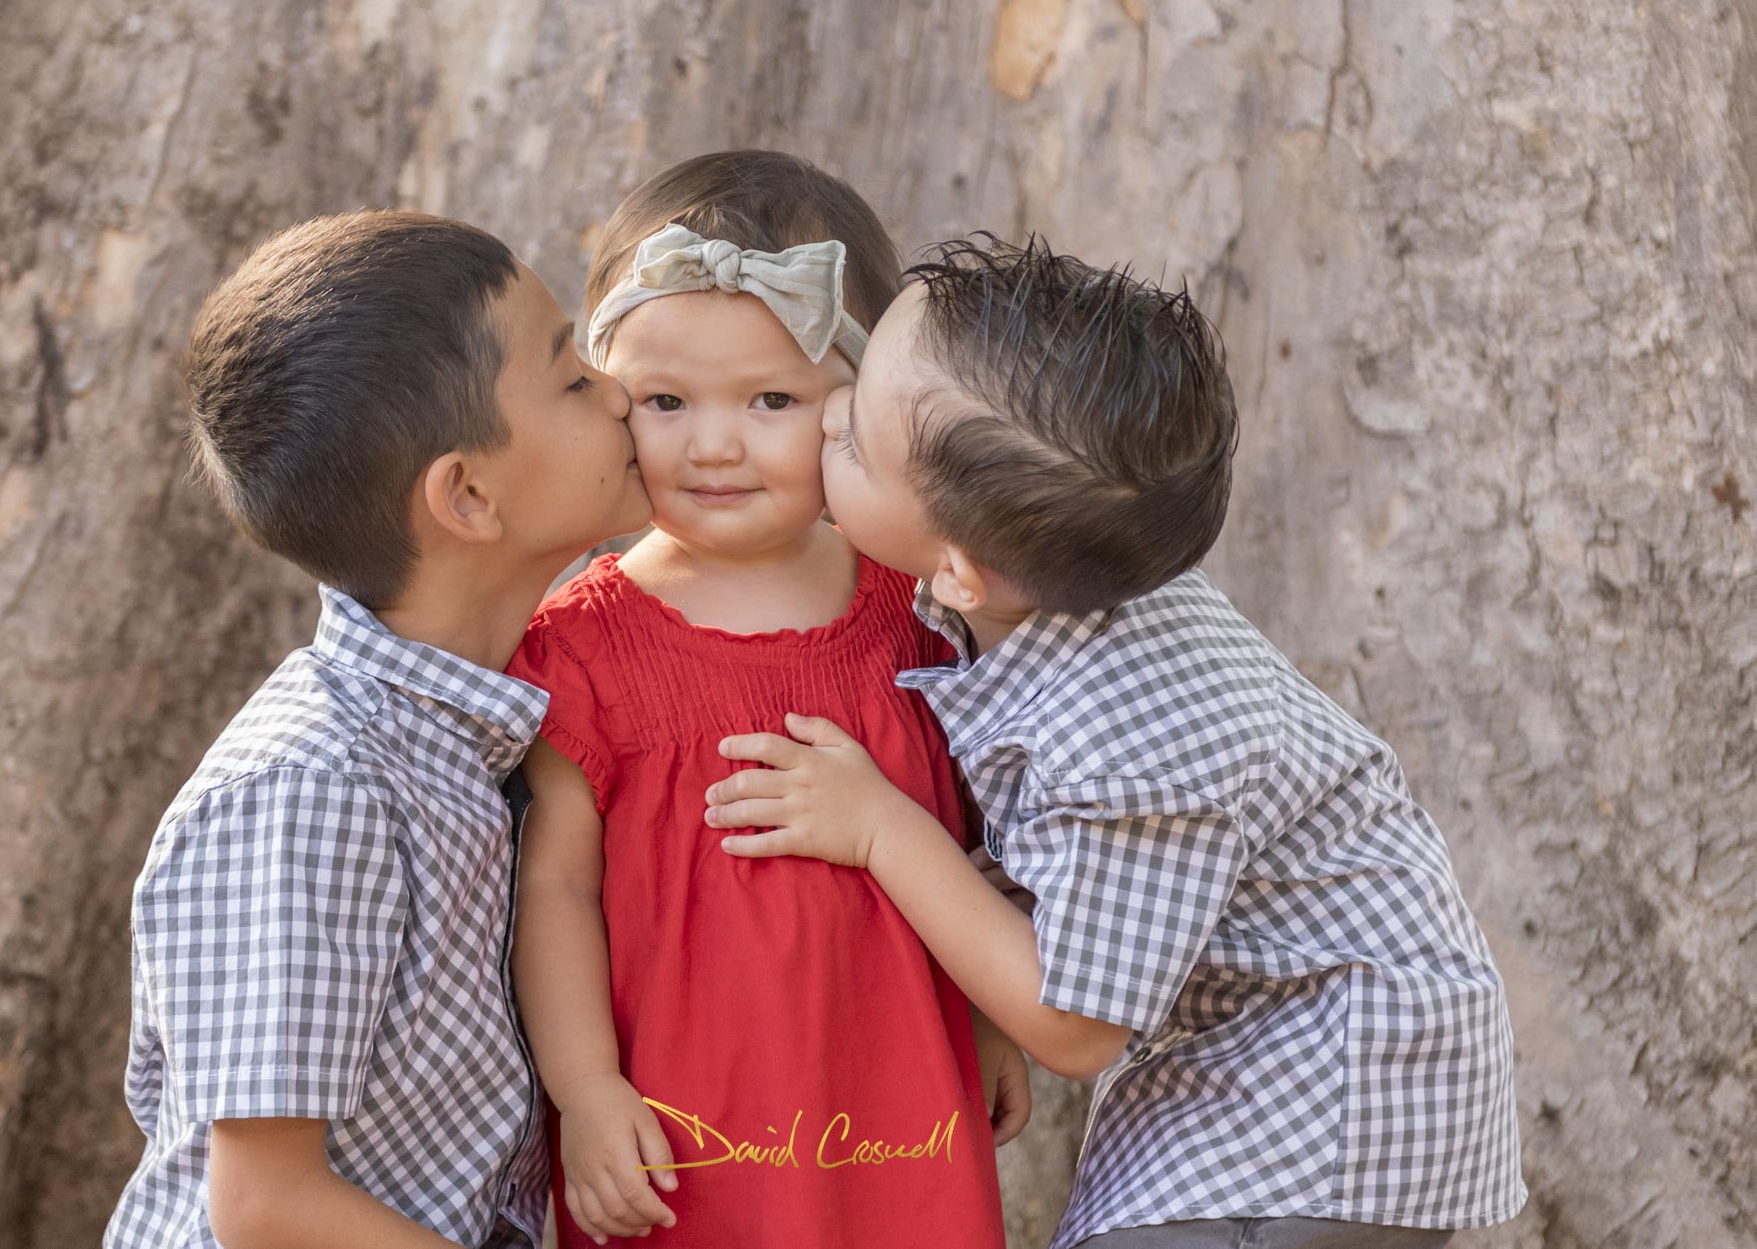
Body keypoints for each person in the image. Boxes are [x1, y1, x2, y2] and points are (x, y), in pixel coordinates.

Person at [704, 237, 1528, 1247]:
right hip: (1265, 1074)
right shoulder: (1057, 583)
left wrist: (880, 828)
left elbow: (1078, 1026)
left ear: (960, 571)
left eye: (856, 445)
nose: (828, 411)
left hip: (1320, 1114)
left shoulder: (1127, 739)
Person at [507, 152, 1023, 1249]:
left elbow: (967, 841)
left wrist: (984, 1016)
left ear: (861, 407)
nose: (713, 444)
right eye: (664, 401)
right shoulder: (581, 646)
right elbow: (553, 889)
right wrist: (588, 1088)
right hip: (682, 1129)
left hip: (896, 1098)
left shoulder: (918, 609)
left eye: (773, 400)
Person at [106, 211, 651, 1249]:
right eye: (574, 378)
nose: (621, 390)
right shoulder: (311, 786)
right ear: (468, 495)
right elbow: (270, 1207)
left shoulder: (483, 733)